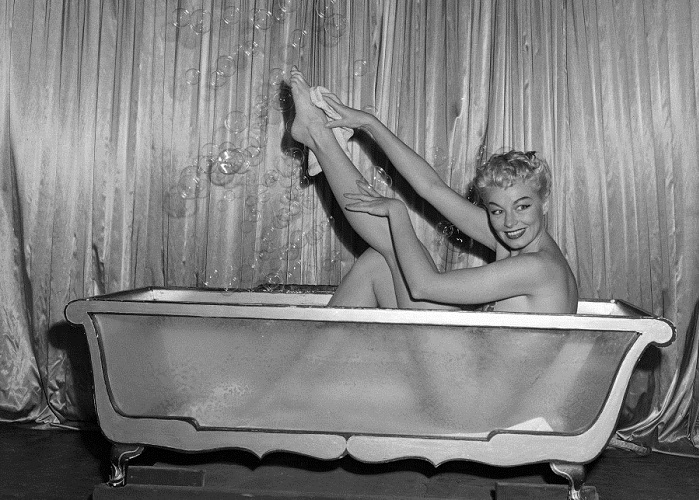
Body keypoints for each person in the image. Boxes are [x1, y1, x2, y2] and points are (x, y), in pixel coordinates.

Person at [289, 67, 578, 314]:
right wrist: (369, 123)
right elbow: (431, 187)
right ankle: (317, 135)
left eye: (523, 206)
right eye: (497, 211)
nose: (510, 222)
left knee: (392, 240)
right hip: (470, 353)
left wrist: (397, 211)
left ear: (545, 202)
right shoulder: (516, 239)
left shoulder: (537, 267)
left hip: (464, 364)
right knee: (378, 261)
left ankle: (317, 135)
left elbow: (423, 287)